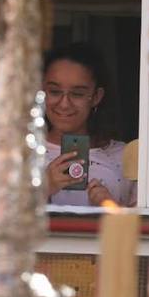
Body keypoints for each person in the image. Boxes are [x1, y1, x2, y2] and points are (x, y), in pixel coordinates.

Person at [42, 42, 136, 208]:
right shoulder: (19, 155)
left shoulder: (126, 156)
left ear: (96, 97)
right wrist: (43, 188)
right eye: (54, 92)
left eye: (77, 94)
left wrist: (110, 207)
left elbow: (143, 230)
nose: (64, 104)